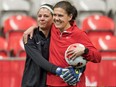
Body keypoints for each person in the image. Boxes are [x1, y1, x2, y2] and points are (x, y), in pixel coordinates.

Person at [23, 1, 101, 87]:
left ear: (70, 17)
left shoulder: (79, 34)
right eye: (55, 15)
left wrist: (85, 51)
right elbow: (43, 23)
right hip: (52, 84)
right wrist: (33, 28)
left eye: (60, 15)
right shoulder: (53, 29)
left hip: (73, 84)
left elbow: (97, 57)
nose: (56, 18)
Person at [22, 4, 81, 87]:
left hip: (49, 83)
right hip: (31, 83)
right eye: (39, 16)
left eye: (46, 16)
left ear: (53, 19)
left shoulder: (57, 35)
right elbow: (39, 59)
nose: (42, 18)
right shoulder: (29, 36)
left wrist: (79, 69)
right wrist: (58, 70)